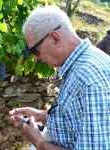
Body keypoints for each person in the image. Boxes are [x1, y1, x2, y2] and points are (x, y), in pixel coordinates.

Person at [9, 5, 110, 150]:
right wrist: (41, 116)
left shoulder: (89, 79)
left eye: (35, 50)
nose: (35, 58)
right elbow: (77, 119)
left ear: (55, 38)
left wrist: (39, 143)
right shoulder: (81, 65)